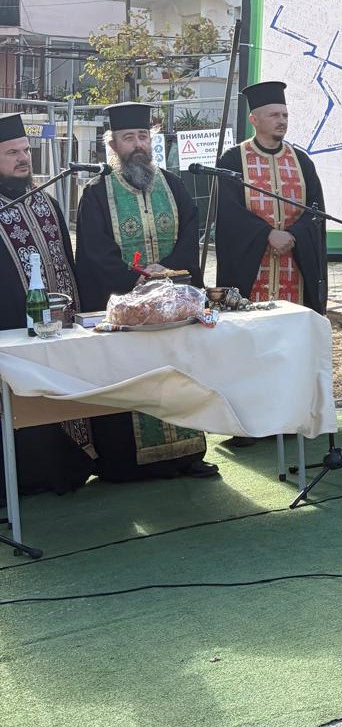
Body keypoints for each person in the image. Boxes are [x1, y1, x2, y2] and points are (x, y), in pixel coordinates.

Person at [74, 102, 217, 481]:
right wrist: (134, 278)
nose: (138, 144)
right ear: (113, 145)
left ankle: (187, 455)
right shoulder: (97, 193)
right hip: (126, 309)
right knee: (129, 377)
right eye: (128, 138)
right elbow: (94, 252)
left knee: (179, 372)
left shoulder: (173, 185)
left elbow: (189, 234)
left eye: (143, 136)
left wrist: (165, 269)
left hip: (172, 306)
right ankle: (126, 464)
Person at [0, 113, 94, 499]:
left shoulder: (46, 201)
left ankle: (68, 468)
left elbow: (68, 263)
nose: (24, 158)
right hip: (11, 333)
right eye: (12, 153)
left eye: (25, 150)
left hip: (59, 327)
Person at [215, 80, 328, 314]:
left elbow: (316, 211)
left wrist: (293, 235)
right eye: (274, 115)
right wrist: (267, 234)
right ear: (254, 120)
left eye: (285, 115)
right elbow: (229, 213)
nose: (282, 121)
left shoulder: (302, 161)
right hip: (251, 266)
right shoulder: (233, 160)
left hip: (294, 263)